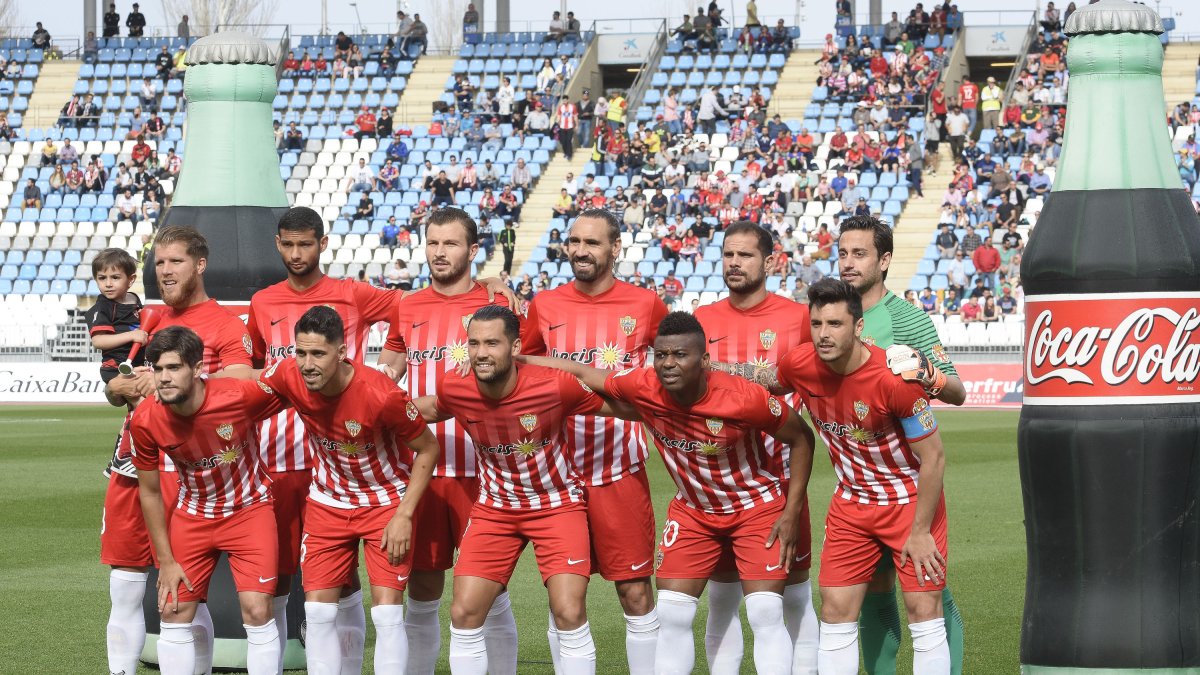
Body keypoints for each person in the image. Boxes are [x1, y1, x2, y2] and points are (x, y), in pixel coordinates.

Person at [525, 310, 817, 674]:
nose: (668, 364)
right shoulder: (643, 385)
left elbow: (802, 438)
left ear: (705, 361)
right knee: (672, 612)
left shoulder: (744, 397)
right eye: (661, 355)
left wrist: (791, 512)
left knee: (764, 610)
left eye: (680, 355)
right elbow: (584, 372)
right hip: (694, 511)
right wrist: (520, 358)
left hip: (754, 507)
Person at [739, 278, 952, 675]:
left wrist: (921, 530)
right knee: (835, 610)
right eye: (817, 324)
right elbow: (767, 377)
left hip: (909, 504)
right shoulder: (800, 364)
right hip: (852, 504)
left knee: (924, 609)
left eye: (835, 324)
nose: (823, 334)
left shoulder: (894, 379)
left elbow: (934, 458)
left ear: (857, 327)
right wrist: (706, 366)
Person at [410, 305, 632, 674]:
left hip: (557, 504)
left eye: (492, 343)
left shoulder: (554, 385)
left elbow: (619, 407)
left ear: (514, 348)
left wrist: (678, 410)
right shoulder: (456, 386)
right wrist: (371, 413)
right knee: (464, 612)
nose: (481, 353)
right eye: (474, 344)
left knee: (568, 610)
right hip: (495, 509)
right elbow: (430, 409)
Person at [245, 206, 405, 669]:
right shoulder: (262, 302)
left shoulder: (351, 294)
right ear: (277, 244)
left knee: (348, 582)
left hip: (341, 464)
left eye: (306, 244)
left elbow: (411, 311)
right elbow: (259, 368)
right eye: (288, 244)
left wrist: (390, 364)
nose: (297, 254)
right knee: (274, 577)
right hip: (275, 458)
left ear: (323, 244)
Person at [101, 226, 255, 675]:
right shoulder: (147, 320)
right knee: (125, 587)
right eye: (160, 263)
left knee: (185, 594)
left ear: (200, 265)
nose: (164, 271)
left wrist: (186, 381)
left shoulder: (226, 324)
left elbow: (244, 384)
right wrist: (120, 388)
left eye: (175, 262)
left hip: (185, 469)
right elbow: (122, 386)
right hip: (131, 461)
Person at [520, 209, 668, 674]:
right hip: (556, 475)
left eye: (593, 243)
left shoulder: (646, 305)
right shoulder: (544, 305)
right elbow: (521, 364)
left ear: (615, 249)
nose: (581, 251)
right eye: (574, 242)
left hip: (617, 468)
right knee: (563, 594)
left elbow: (668, 369)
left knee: (635, 589)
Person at [257, 306, 440, 674]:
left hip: (385, 503)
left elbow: (428, 448)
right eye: (301, 352)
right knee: (318, 613)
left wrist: (404, 514)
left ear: (342, 353)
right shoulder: (289, 375)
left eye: (318, 354)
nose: (307, 364)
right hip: (327, 502)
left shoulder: (382, 395)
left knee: (387, 615)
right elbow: (247, 381)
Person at [835, 215, 966, 675]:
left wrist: (928, 376)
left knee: (930, 592)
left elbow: (958, 391)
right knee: (872, 589)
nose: (848, 263)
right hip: (855, 485)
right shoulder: (831, 316)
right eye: (843, 252)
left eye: (860, 254)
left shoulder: (907, 319)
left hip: (910, 484)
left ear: (884, 260)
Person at [692, 222, 819, 674]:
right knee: (722, 597)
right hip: (721, 478)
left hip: (783, 474)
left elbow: (815, 380)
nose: (734, 263)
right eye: (728, 254)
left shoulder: (797, 318)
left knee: (794, 594)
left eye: (744, 255)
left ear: (769, 262)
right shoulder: (702, 320)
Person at [131, 327, 286, 675]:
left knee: (258, 609)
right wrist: (166, 560)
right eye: (157, 369)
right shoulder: (145, 420)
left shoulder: (239, 395)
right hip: (193, 517)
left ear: (198, 367)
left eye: (173, 368)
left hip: (250, 511)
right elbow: (150, 492)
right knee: (172, 610)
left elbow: (295, 391)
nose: (164, 378)